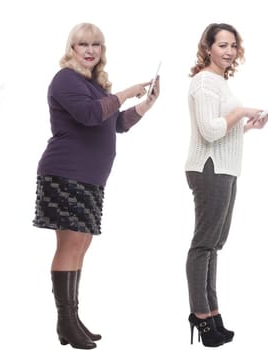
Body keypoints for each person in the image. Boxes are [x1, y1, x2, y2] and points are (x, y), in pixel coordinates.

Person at [33, 22, 158, 349]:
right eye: (83, 44)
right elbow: (90, 116)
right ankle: (66, 321)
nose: (90, 50)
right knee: (70, 246)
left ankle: (71, 320)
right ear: (71, 49)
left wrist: (144, 105)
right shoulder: (65, 80)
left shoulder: (95, 85)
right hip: (66, 173)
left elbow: (115, 122)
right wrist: (126, 92)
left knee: (81, 245)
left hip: (90, 177)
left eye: (96, 45)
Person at [184, 22, 268, 347]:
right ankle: (200, 316)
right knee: (204, 245)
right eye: (222, 45)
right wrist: (241, 112)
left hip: (224, 168)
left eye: (233, 45)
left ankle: (212, 313)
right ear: (208, 48)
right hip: (209, 169)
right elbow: (209, 130)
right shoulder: (205, 81)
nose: (229, 51)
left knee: (214, 245)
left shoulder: (219, 81)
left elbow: (222, 130)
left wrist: (248, 126)